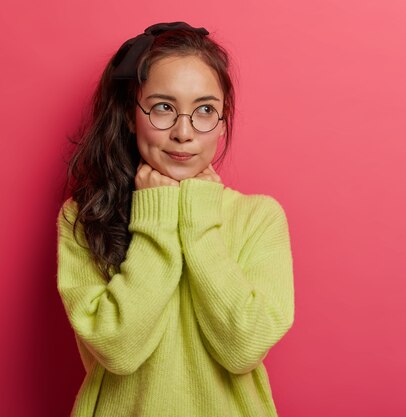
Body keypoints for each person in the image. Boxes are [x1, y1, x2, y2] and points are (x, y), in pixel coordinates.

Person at [57, 22, 295, 417]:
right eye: (164, 107)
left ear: (223, 119)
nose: (184, 133)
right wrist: (156, 218)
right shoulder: (84, 215)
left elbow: (244, 349)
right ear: (131, 115)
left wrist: (198, 221)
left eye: (204, 110)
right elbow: (118, 350)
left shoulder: (259, 217)